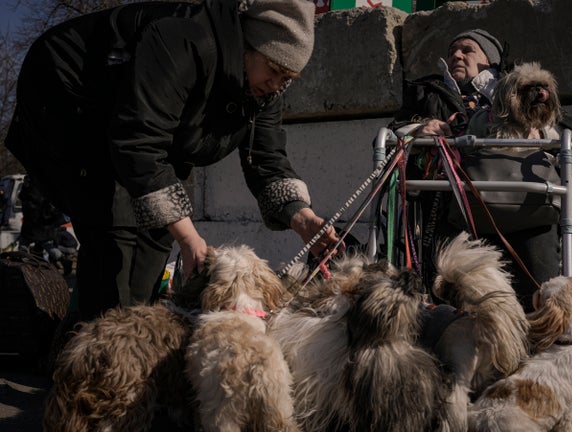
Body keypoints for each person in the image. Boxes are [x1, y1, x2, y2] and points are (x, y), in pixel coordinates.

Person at [4, 0, 341, 321]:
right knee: (114, 230)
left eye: (287, 79)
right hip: (68, 98)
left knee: (155, 236)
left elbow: (266, 157)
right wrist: (188, 237)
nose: (277, 85)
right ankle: (103, 357)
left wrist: (302, 218)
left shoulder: (265, 91)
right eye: (273, 70)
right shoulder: (184, 40)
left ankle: (120, 335)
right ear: (248, 46)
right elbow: (137, 141)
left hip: (143, 131)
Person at [389, 28, 572, 309]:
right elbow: (390, 136)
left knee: (540, 288)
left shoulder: (525, 88)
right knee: (450, 291)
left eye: (467, 49)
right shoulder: (429, 93)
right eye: (452, 52)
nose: (456, 56)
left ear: (491, 61)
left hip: (527, 205)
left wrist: (546, 130)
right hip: (453, 207)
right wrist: (419, 129)